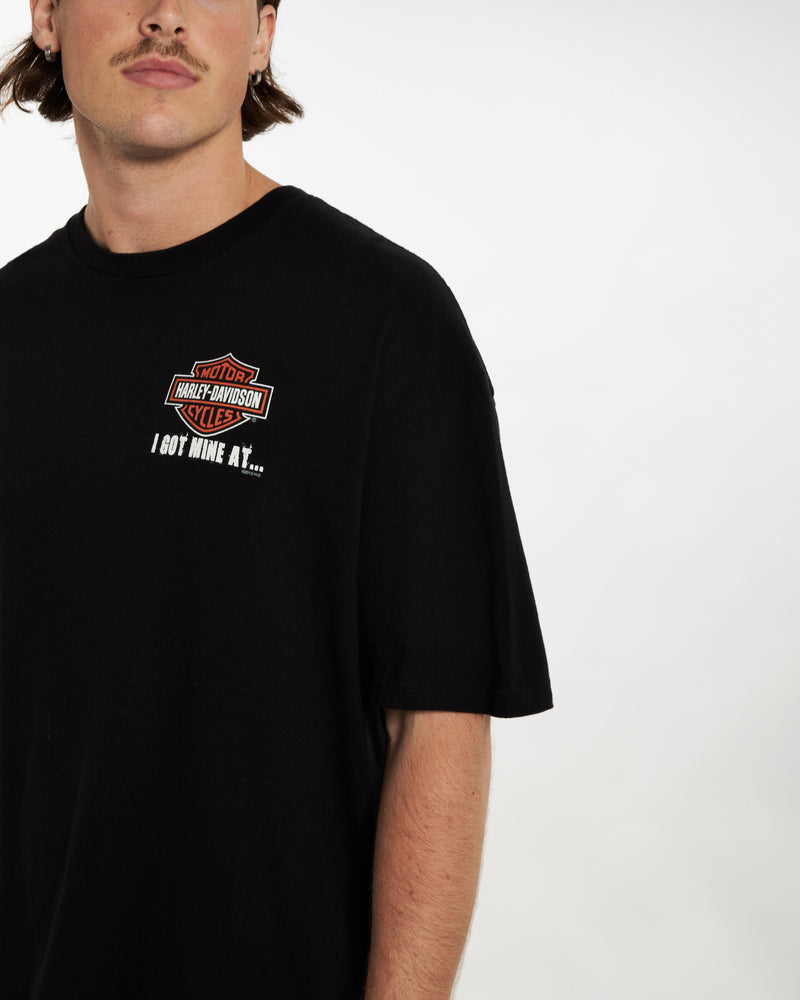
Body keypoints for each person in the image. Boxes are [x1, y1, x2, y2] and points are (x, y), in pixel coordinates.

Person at [0, 2, 553, 997]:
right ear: (47, 16)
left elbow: (437, 718)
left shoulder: (384, 322)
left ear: (260, 34)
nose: (165, 16)